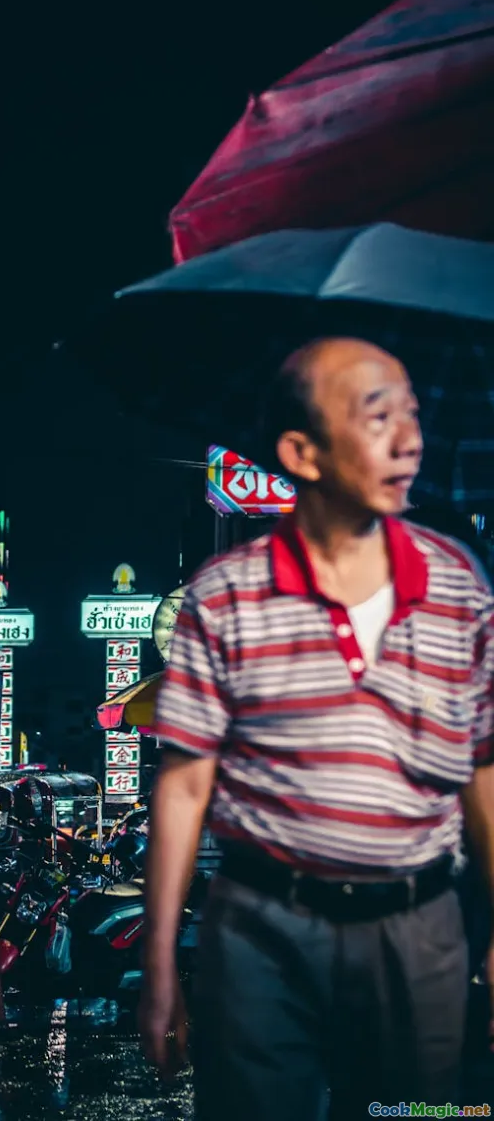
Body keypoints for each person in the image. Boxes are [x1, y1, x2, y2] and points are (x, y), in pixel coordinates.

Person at [140, 337, 494, 1121]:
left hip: (422, 925)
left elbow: (482, 771)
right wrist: (161, 960)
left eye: (411, 417)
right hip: (263, 924)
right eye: (377, 418)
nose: (408, 441)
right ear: (301, 451)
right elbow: (185, 782)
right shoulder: (226, 595)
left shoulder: (459, 587)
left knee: (412, 1114)